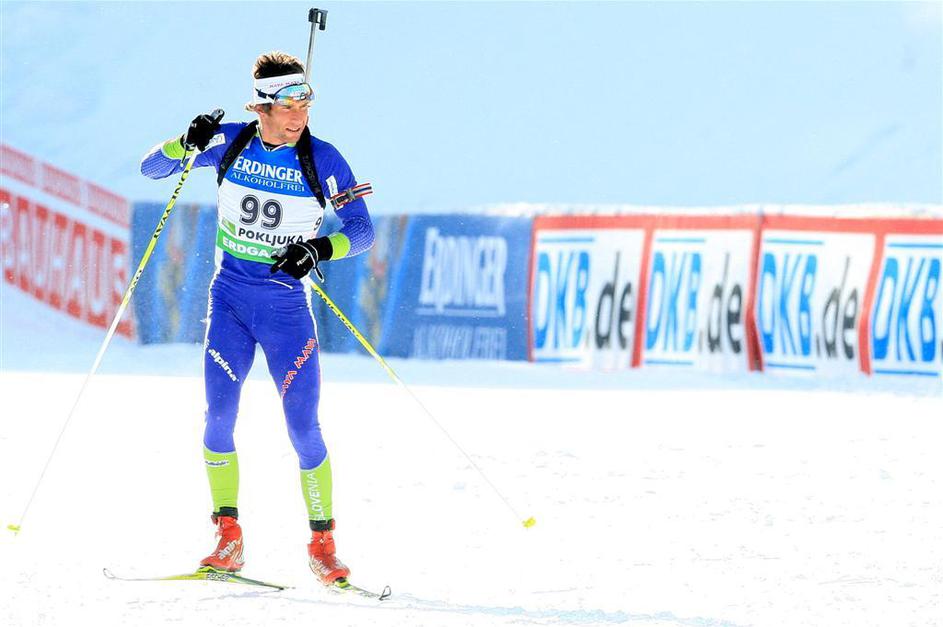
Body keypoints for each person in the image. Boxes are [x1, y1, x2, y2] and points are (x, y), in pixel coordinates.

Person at [140, 51, 374, 586]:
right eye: (288, 108)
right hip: (229, 303)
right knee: (218, 418)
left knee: (303, 427)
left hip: (286, 311)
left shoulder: (324, 158)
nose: (299, 118)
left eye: (305, 106)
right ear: (263, 107)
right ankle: (228, 538)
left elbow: (362, 232)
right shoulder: (229, 142)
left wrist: (319, 249)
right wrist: (185, 142)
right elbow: (152, 168)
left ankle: (323, 546)